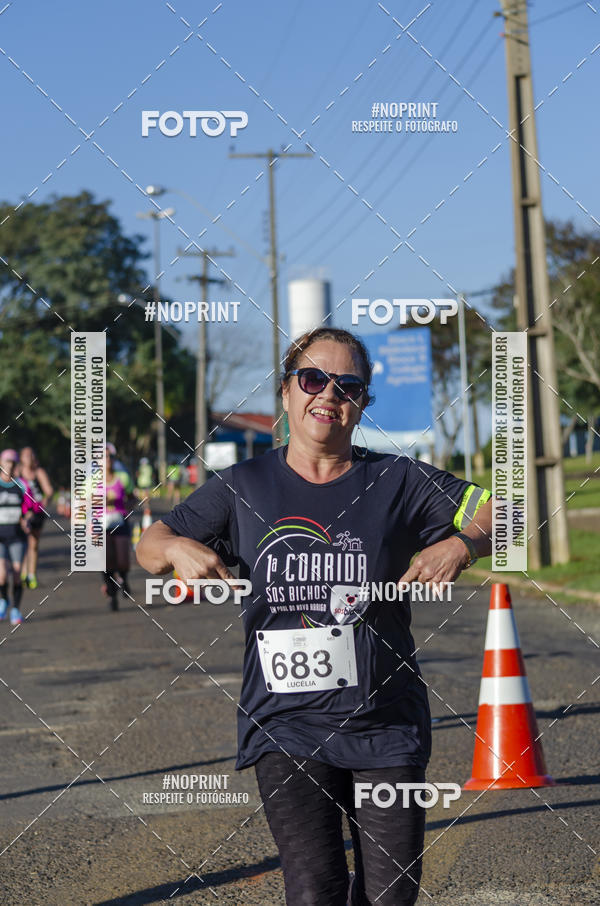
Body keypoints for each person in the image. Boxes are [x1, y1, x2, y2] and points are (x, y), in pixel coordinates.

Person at [137, 327, 493, 905]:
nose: (329, 394)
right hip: (285, 724)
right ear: (286, 392)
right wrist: (176, 547)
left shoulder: (399, 480)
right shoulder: (243, 486)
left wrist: (462, 545)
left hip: (385, 724)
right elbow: (150, 546)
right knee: (314, 889)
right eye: (313, 379)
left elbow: (508, 512)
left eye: (347, 385)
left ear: (363, 402)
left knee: (391, 894)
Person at [0, 449, 32, 626]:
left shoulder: (21, 485)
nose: (9, 466)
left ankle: (16, 610)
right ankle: (4, 600)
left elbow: (30, 508)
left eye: (12, 463)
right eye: (6, 462)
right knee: (2, 575)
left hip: (17, 537)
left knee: (17, 573)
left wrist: (26, 519)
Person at [102, 445, 136, 611]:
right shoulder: (91, 481)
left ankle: (123, 579)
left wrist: (124, 505)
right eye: (103, 456)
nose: (107, 459)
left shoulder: (123, 477)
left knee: (122, 560)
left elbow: (132, 498)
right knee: (105, 562)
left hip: (120, 521)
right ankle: (112, 595)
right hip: (100, 525)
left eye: (110, 456)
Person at [17, 446, 54, 589]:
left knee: (33, 544)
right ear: (21, 458)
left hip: (37, 513)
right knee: (23, 542)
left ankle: (31, 575)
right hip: (21, 513)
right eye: (26, 455)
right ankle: (23, 572)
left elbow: (49, 491)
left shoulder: (39, 472)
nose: (29, 458)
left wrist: (44, 501)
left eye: (31, 455)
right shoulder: (17, 472)